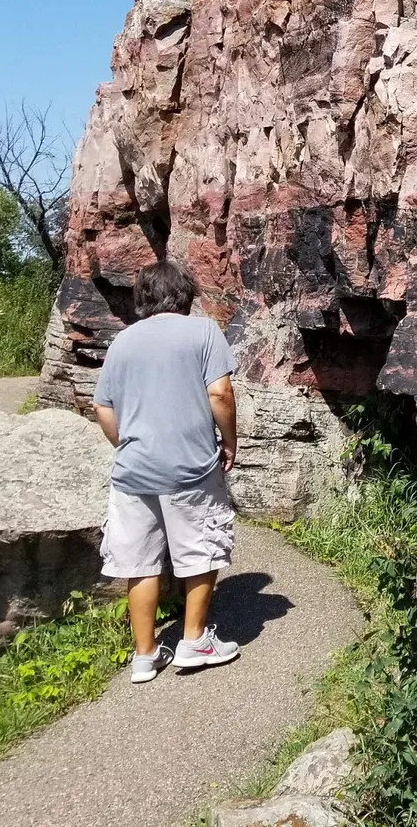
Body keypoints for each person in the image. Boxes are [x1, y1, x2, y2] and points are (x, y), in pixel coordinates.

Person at [92, 259, 241, 682]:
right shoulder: (203, 331)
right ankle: (194, 642)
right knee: (201, 548)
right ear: (186, 295)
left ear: (144, 299)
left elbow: (102, 406)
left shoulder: (123, 342)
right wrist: (229, 441)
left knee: (138, 561)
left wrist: (127, 445)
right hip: (190, 467)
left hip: (132, 472)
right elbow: (221, 393)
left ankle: (145, 655)